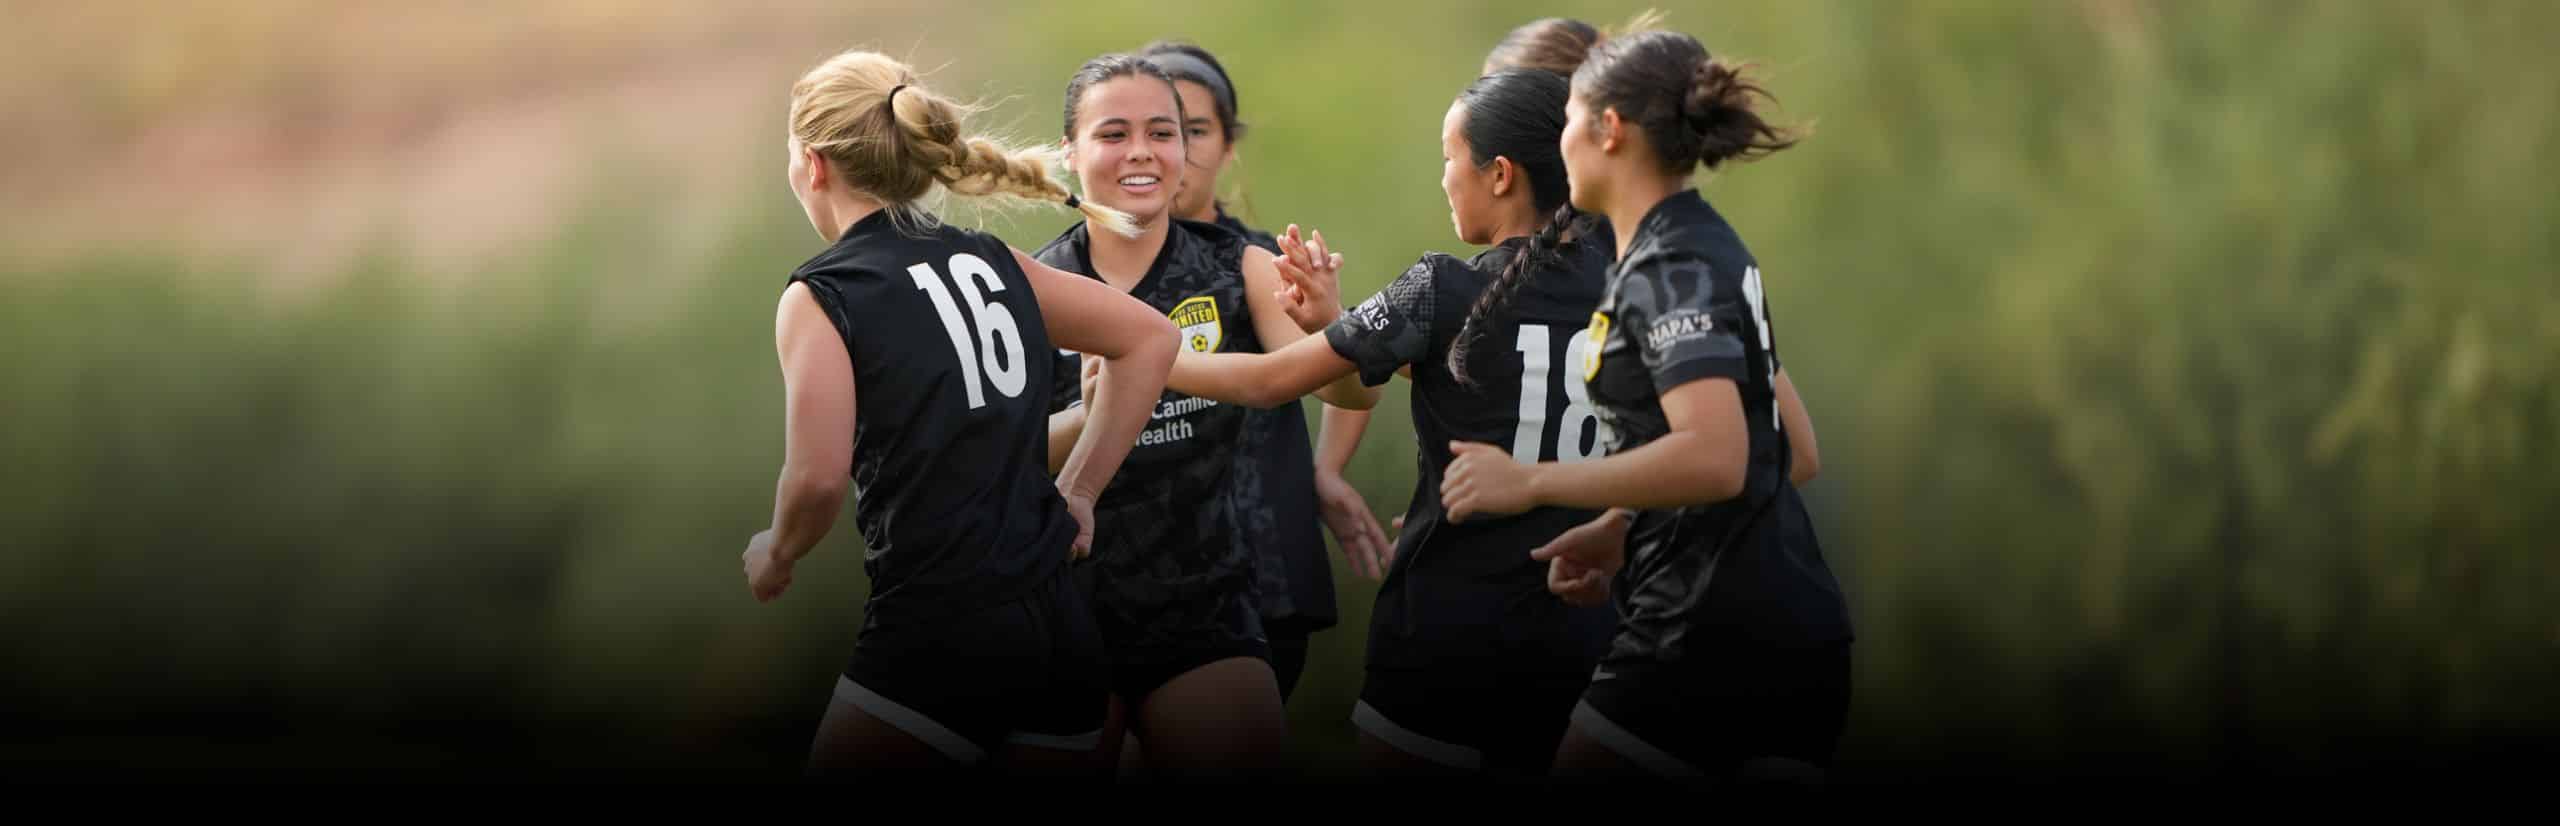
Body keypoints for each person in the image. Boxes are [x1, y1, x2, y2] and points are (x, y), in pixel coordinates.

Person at [1154, 68, 1620, 776]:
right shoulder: (1631, 289)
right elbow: (1483, 374)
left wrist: (1148, 353)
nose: (1443, 178)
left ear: (1499, 175)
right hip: (1585, 643)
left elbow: (1270, 381)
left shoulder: (1444, 286)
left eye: (1449, 157)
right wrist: (1336, 323)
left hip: (1444, 642)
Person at [737, 48, 1177, 777]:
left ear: (813, 165)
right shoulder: (991, 260)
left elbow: (816, 479)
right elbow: (1151, 338)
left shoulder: (824, 292)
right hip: (1060, 634)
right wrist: (1081, 491)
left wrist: (777, 551)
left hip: (942, 624)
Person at [1437, 21, 1854, 785]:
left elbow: (1718, 457)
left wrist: (1531, 481)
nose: (1558, 140)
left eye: (1566, 118)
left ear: (1609, 130)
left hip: (1707, 636)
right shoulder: (1685, 243)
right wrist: (1626, 527)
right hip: (1773, 631)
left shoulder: (1672, 267)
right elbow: (1759, 452)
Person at [1035, 52, 1378, 778]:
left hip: (1203, 605)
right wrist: (1090, 419)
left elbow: (1348, 394)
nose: (1141, 152)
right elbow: (1001, 457)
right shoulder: (1036, 284)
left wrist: (1331, 330)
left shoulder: (1240, 267)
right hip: (1063, 607)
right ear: (1069, 151)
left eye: (1162, 133)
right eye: (1113, 133)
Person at [1135, 40, 1386, 703]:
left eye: (1193, 130)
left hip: (1256, 564)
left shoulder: (1257, 264)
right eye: (1154, 129)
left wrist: (1325, 471)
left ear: (1228, 146)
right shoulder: (1079, 270)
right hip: (1126, 570)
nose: (1170, 150)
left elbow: (1344, 375)